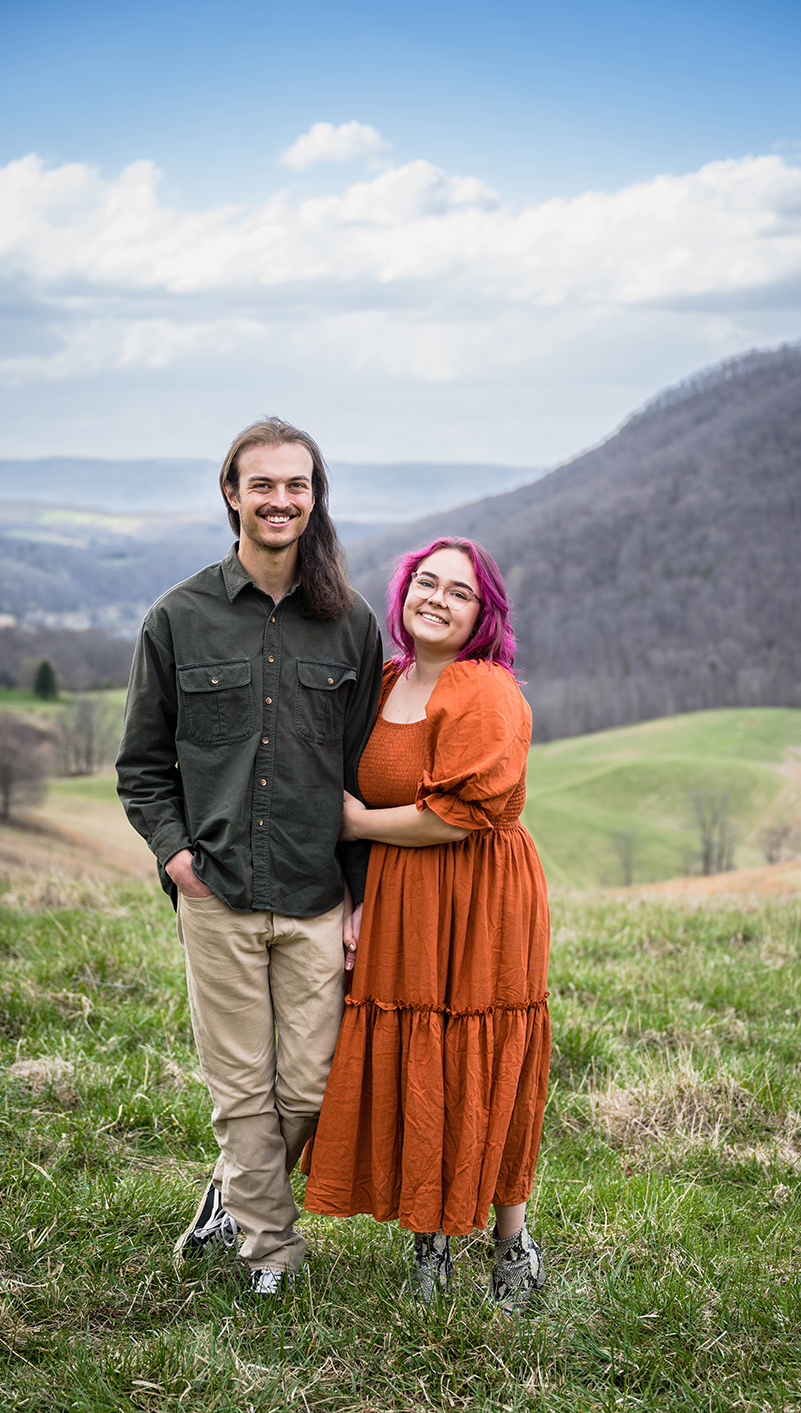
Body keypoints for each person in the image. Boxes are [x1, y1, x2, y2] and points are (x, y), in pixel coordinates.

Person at [116, 417, 382, 1296]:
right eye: (262, 485)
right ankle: (270, 1252)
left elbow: (362, 774)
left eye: (296, 485)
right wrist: (177, 860)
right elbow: (143, 768)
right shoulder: (178, 617)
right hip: (219, 891)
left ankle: (234, 1186)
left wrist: (361, 899)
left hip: (315, 895)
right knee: (241, 1089)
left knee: (306, 1089)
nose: (280, 500)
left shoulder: (349, 625)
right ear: (231, 494)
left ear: (315, 498)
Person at [303, 536, 551, 1309]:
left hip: (479, 898)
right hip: (403, 894)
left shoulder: (484, 690)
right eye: (426, 582)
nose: (437, 599)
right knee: (422, 1055)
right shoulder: (383, 682)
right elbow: (352, 788)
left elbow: (461, 816)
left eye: (460, 592)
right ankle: (430, 1234)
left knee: (480, 1049)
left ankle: (512, 1246)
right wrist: (358, 890)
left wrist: (357, 827)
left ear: (484, 615)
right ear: (404, 591)